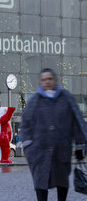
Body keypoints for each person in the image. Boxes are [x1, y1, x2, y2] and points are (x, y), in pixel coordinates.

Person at [20, 68, 86, 201]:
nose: (47, 82)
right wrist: (28, 146)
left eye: (49, 79)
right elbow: (25, 124)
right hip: (39, 152)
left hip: (61, 150)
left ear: (55, 80)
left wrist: (80, 146)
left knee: (62, 182)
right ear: (40, 82)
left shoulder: (65, 98)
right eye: (44, 79)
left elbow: (75, 121)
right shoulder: (35, 100)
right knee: (40, 183)